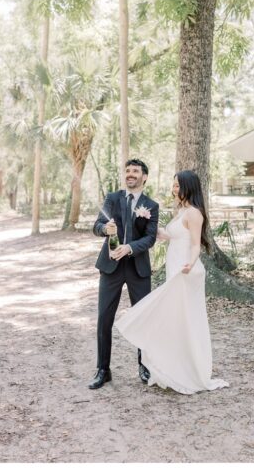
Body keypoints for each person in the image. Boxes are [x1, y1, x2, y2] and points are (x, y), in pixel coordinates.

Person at [115, 170, 229, 394]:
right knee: (175, 319)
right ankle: (175, 368)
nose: (174, 189)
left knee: (184, 319)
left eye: (177, 186)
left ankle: (189, 371)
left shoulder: (194, 213)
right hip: (175, 268)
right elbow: (169, 235)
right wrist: (145, 219)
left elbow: (196, 244)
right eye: (173, 185)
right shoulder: (182, 211)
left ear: (189, 187)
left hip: (186, 271)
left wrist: (190, 262)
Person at [89, 159, 159, 390]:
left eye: (135, 171)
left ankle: (145, 365)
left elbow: (150, 237)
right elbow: (97, 225)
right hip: (111, 267)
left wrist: (129, 248)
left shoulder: (152, 205)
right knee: (104, 319)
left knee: (144, 319)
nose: (130, 174)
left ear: (144, 177)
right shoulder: (112, 198)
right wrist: (104, 229)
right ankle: (103, 369)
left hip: (138, 269)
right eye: (127, 170)